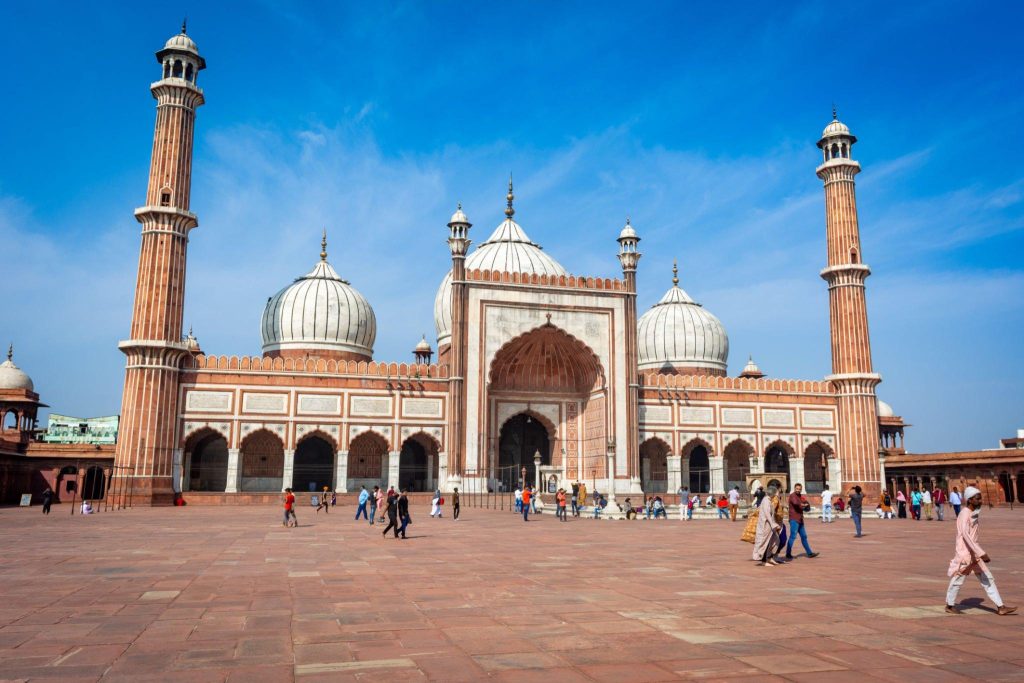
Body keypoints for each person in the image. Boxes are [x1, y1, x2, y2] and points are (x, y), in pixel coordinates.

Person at [946, 486, 1016, 616]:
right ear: (970, 500)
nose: (980, 501)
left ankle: (1001, 606)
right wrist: (982, 553)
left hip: (974, 555)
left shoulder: (972, 513)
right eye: (978, 499)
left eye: (980, 498)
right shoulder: (964, 514)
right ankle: (949, 605)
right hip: (965, 554)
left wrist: (978, 553)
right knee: (957, 580)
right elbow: (965, 535)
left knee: (987, 579)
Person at [786, 484, 819, 560]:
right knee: (793, 536)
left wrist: (807, 505)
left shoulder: (800, 497)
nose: (798, 490)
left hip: (800, 519)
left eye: (799, 489)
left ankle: (809, 553)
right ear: (794, 488)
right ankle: (788, 553)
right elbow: (796, 503)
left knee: (804, 536)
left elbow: (806, 504)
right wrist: (804, 505)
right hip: (794, 519)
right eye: (797, 488)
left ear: (801, 489)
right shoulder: (792, 496)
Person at [752, 485, 782, 566]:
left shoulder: (769, 500)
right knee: (765, 542)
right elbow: (767, 514)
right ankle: (764, 561)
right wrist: (773, 524)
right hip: (766, 525)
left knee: (775, 540)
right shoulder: (766, 501)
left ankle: (769, 557)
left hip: (769, 525)